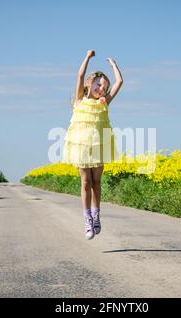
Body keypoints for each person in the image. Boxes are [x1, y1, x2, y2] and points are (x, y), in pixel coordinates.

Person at [62, 50, 123, 240]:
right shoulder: (79, 100)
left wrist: (113, 65)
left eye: (104, 86)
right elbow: (80, 75)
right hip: (81, 148)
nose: (102, 88)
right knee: (85, 182)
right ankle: (87, 218)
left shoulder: (104, 103)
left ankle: (96, 214)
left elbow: (119, 82)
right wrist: (88, 57)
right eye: (99, 83)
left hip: (98, 147)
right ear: (90, 84)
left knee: (96, 183)